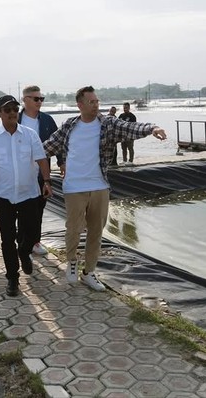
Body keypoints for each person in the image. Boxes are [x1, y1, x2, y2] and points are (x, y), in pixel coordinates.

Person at [42, 86, 167, 292]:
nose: (96, 105)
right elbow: (47, 147)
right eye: (91, 102)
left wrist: (152, 128)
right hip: (73, 186)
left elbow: (131, 128)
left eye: (97, 101)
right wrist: (21, 155)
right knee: (73, 229)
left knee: (96, 232)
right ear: (80, 105)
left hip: (99, 186)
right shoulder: (69, 126)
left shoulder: (108, 124)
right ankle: (72, 261)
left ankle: (89, 272)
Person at [0, 95, 52, 297]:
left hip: (29, 194)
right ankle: (12, 278)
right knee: (7, 239)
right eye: (7, 110)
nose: (12, 113)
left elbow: (42, 160)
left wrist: (47, 181)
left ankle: (24, 251)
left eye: (14, 109)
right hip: (5, 196)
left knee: (33, 232)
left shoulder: (30, 135)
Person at [18, 85, 60, 257]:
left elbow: (58, 142)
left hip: (41, 173)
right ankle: (22, 243)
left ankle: (35, 241)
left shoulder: (47, 120)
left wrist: (62, 163)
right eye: (36, 99)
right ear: (25, 100)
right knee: (22, 209)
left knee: (38, 209)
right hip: (20, 173)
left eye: (41, 99)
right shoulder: (16, 119)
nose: (39, 102)